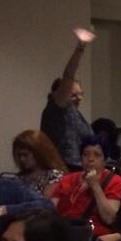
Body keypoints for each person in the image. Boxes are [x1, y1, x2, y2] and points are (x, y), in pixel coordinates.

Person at [50, 135, 121, 237]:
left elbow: (109, 219)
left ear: (104, 159)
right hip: (64, 234)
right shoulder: (67, 179)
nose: (90, 159)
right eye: (85, 154)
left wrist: (95, 186)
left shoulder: (116, 182)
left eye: (97, 155)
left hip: (94, 238)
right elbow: (51, 210)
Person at [41, 30, 95, 169]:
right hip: (64, 170)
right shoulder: (56, 109)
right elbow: (68, 76)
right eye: (73, 95)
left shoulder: (75, 113)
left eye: (80, 94)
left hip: (82, 170)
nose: (79, 98)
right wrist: (80, 49)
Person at [11, 130, 66, 198]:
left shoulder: (54, 176)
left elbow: (48, 203)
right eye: (19, 156)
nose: (21, 159)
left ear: (39, 153)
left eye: (25, 155)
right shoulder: (18, 178)